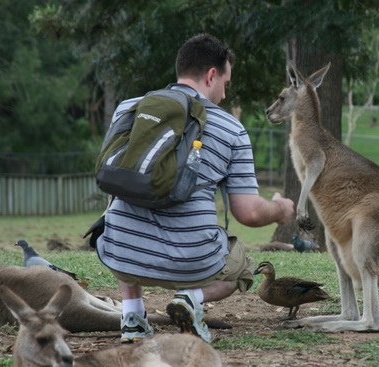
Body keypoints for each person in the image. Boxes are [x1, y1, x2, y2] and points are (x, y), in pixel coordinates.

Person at [96, 33, 294, 343]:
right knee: (242, 266)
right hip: (190, 263)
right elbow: (249, 213)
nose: (225, 95)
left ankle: (132, 316)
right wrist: (281, 209)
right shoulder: (231, 128)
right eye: (225, 84)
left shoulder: (130, 109)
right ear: (212, 75)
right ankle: (191, 298)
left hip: (119, 251)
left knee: (122, 216)